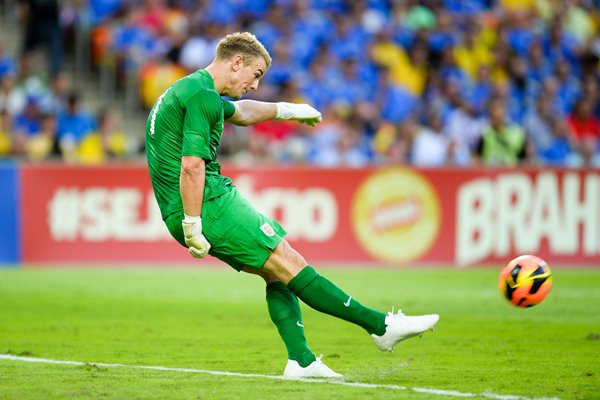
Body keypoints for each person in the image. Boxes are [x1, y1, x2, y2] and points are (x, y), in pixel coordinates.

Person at [145, 32, 439, 380]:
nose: (255, 85)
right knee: (289, 262)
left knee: (278, 271)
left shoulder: (193, 89)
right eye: (255, 75)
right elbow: (191, 165)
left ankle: (301, 360)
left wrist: (288, 110)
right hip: (205, 201)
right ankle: (380, 326)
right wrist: (193, 222)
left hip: (195, 202)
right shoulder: (201, 97)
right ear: (236, 62)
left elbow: (240, 112)